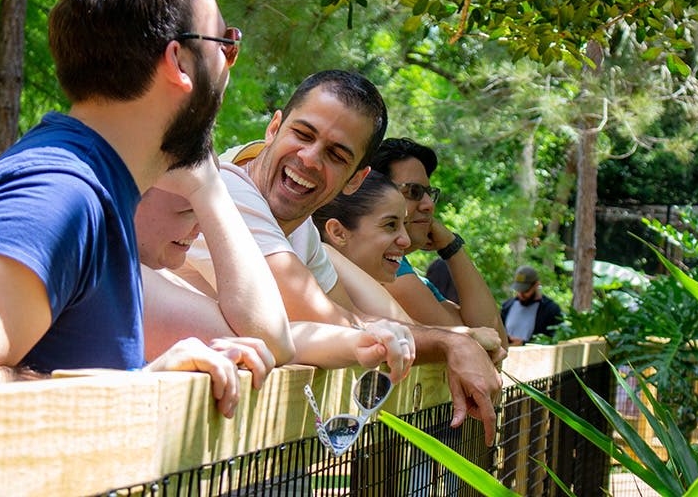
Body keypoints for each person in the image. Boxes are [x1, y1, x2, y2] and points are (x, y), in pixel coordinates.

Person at [0, 0, 269, 418]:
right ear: (178, 63)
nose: (231, 64)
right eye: (226, 44)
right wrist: (137, 389)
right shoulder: (60, 190)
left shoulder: (97, 188)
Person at [182, 70, 503, 445]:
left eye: (336, 155)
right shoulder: (229, 189)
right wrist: (453, 342)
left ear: (355, 179)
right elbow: (332, 321)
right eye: (303, 134)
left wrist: (455, 339)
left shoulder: (299, 228)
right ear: (274, 128)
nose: (309, 158)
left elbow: (356, 318)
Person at [136, 160, 414, 379]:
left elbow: (268, 338)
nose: (200, 230)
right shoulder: (129, 277)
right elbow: (271, 337)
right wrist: (209, 191)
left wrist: (357, 341)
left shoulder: (153, 278)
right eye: (187, 211)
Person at [313, 171, 502, 353]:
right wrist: (463, 338)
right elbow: (402, 336)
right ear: (338, 232)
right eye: (390, 225)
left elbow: (491, 338)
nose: (406, 241)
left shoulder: (368, 280)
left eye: (405, 224)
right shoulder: (317, 264)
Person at [370, 138, 508, 347]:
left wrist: (451, 246)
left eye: (429, 193)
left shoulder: (409, 274)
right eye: (413, 192)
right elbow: (480, 347)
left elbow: (494, 338)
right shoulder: (386, 268)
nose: (428, 205)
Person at [500, 265, 563, 345]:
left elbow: (554, 340)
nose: (521, 294)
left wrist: (524, 343)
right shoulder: (507, 306)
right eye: (518, 290)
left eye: (526, 291)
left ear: (536, 285)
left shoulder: (551, 310)